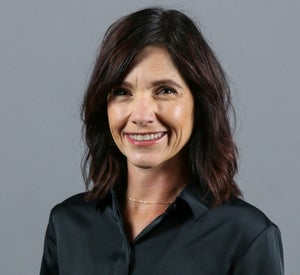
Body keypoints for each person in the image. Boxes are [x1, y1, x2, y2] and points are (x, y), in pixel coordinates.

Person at [40, 7, 284, 275]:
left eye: (165, 91)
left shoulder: (246, 235)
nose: (141, 116)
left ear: (199, 105)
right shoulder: (67, 224)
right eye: (122, 92)